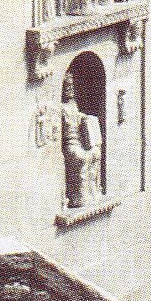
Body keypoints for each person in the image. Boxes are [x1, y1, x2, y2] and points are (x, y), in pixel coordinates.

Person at [60, 67, 103, 208]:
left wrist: (85, 118)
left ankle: (93, 191)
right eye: (67, 86)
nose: (70, 89)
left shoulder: (74, 104)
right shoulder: (61, 107)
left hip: (80, 140)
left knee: (95, 153)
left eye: (72, 86)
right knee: (81, 158)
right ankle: (78, 196)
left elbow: (78, 117)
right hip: (70, 143)